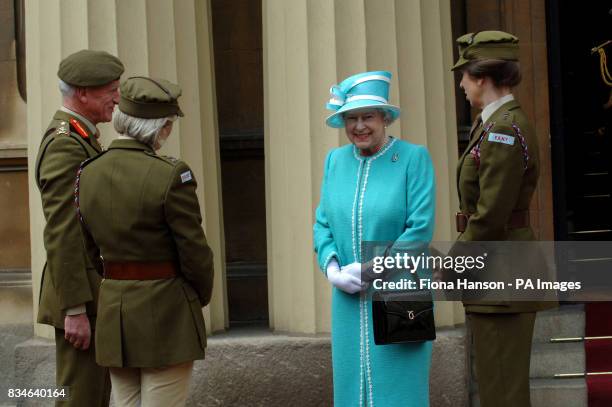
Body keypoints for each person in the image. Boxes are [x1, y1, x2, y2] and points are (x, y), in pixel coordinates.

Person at [75, 76, 214, 407]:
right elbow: (194, 252)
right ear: (161, 128)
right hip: (165, 307)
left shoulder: (88, 172)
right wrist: (197, 296)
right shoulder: (170, 174)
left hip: (114, 309)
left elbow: (90, 248)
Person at [313, 71, 436, 406]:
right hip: (349, 294)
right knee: (353, 387)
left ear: (385, 118)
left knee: (399, 390)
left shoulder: (413, 158)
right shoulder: (335, 161)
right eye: (351, 118)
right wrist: (334, 269)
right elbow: (322, 223)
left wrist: (369, 270)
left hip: (402, 289)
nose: (359, 126)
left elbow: (419, 229)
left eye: (368, 116)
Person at [450, 31, 554, 406]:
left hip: (503, 270)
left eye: (464, 75)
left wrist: (451, 263)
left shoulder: (504, 129)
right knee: (498, 386)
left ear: (481, 77)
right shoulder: (493, 124)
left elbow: (491, 215)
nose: (461, 83)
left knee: (503, 392)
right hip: (497, 269)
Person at [35, 49, 124, 406]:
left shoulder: (80, 137)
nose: (118, 97)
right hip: (80, 296)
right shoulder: (65, 144)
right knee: (79, 399)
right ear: (83, 93)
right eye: (111, 90)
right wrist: (74, 309)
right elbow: (62, 231)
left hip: (90, 292)